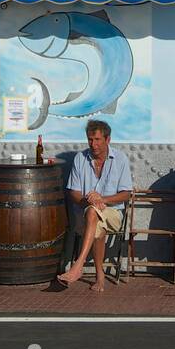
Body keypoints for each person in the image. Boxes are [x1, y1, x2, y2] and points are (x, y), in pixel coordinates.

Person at [56, 120, 133, 292]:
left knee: (95, 214)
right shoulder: (80, 158)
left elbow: (126, 194)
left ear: (108, 140)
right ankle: (100, 276)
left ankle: (78, 266)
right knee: (94, 216)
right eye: (90, 139)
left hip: (113, 213)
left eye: (97, 139)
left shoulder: (120, 159)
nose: (93, 144)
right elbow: (73, 192)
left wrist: (102, 200)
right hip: (85, 212)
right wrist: (90, 201)